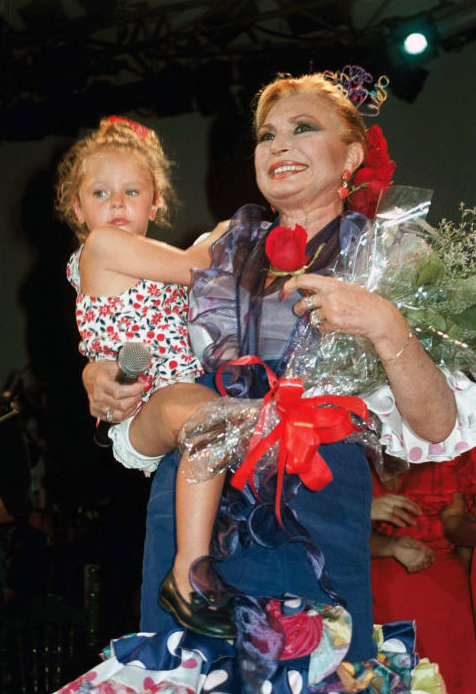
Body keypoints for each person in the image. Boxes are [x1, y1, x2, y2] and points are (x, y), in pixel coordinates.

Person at [65, 70, 476, 692]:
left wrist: (384, 324)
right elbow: (145, 359)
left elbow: (437, 424)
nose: (278, 146)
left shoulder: (395, 258)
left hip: (315, 519)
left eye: (302, 129)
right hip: (188, 521)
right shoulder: (217, 249)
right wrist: (102, 374)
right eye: (266, 135)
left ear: (353, 154)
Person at [56, 115, 236, 638]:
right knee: (210, 419)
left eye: (131, 191)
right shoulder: (103, 247)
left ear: (154, 203)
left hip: (172, 391)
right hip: (149, 401)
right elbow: (195, 264)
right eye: (101, 192)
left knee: (215, 421)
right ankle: (187, 574)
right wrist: (232, 229)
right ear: (78, 208)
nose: (116, 204)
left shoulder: (145, 258)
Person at [370, 454, 476, 694]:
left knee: (456, 676)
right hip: (378, 586)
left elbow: (454, 524)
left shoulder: (443, 449)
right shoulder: (351, 452)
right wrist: (388, 544)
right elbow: (332, 532)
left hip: (442, 585)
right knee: (400, 677)